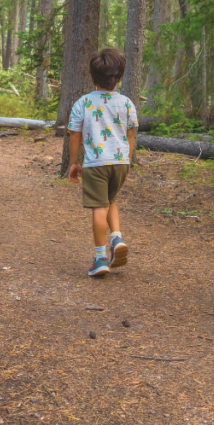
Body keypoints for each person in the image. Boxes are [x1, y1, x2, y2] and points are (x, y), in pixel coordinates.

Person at [67, 48, 139, 277]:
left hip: (96, 163)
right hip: (119, 162)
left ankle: (100, 258)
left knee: (99, 207)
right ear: (119, 78)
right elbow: (130, 136)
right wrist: (127, 163)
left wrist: (73, 163)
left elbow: (75, 134)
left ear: (91, 76)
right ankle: (116, 238)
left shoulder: (83, 103)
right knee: (109, 201)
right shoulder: (127, 103)